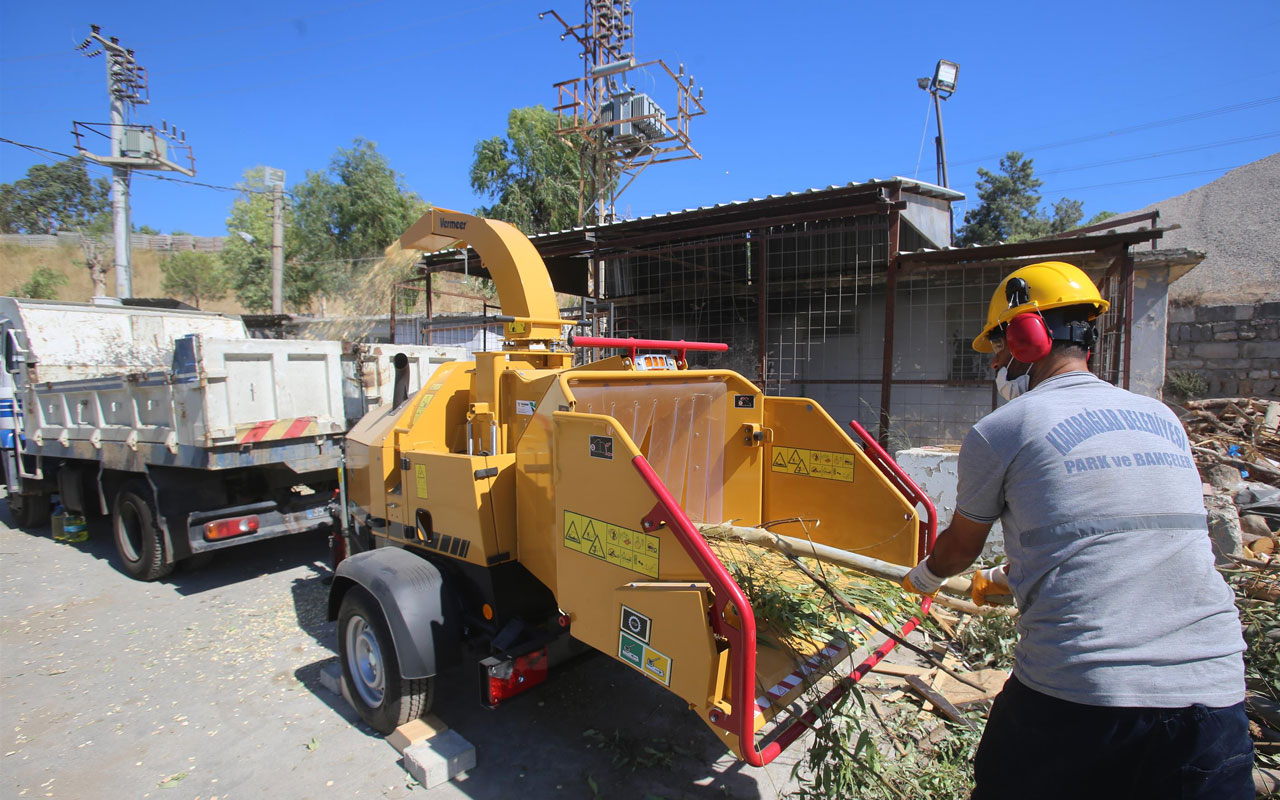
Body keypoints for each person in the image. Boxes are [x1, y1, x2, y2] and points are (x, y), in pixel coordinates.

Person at [900, 261, 1253, 799]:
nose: (995, 361)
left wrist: (922, 579)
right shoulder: (1162, 418)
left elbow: (956, 553)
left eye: (998, 345)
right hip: (1214, 695)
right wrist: (1005, 576)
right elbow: (1116, 535)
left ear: (1025, 338)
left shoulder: (1003, 429)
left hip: (1083, 692)